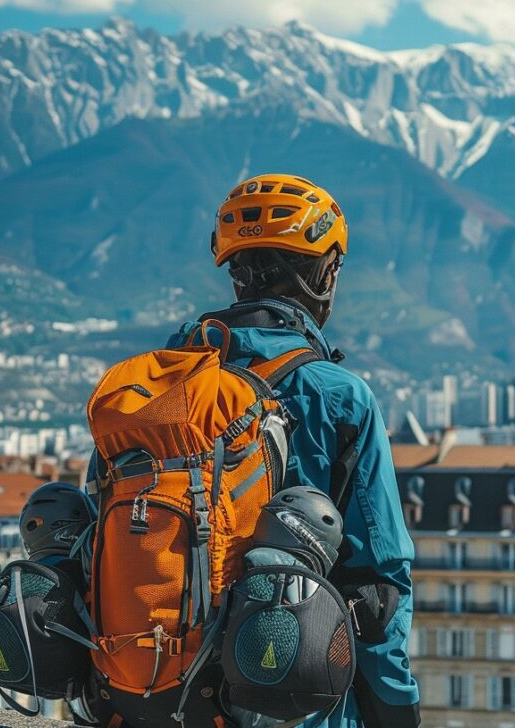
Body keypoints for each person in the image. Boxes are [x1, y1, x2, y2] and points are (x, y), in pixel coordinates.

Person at [172, 173, 419, 728]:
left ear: (235, 272)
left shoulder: (156, 387)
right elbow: (380, 589)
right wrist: (397, 711)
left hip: (157, 694)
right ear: (325, 274)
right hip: (290, 702)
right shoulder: (337, 396)